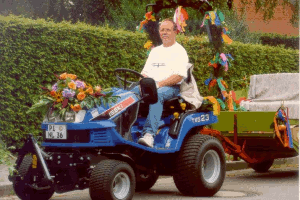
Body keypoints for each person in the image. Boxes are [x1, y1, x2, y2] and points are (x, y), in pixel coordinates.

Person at [131, 19, 190, 148]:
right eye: (162, 30)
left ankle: (149, 135)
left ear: (175, 32)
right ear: (159, 32)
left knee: (156, 96)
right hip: (151, 86)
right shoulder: (155, 51)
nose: (165, 33)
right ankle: (125, 127)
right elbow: (144, 73)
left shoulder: (179, 51)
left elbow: (178, 76)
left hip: (171, 88)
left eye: (168, 30)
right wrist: (143, 85)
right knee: (129, 94)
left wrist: (158, 85)